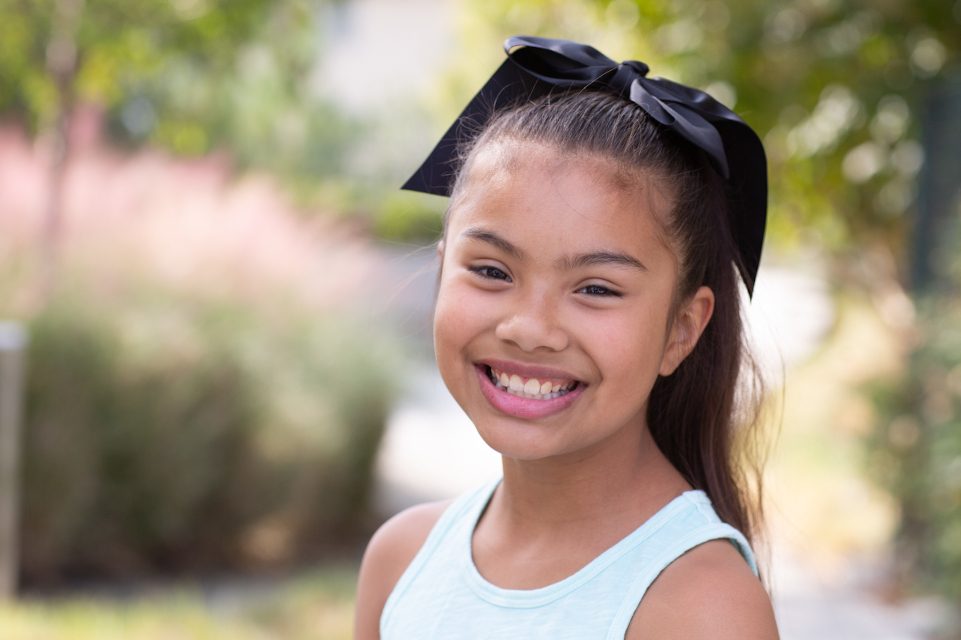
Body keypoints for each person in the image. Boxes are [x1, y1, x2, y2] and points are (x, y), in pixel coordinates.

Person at [354, 36, 779, 640]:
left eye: (596, 289)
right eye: (492, 271)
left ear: (681, 330)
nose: (529, 328)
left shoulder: (698, 606)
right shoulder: (401, 559)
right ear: (443, 267)